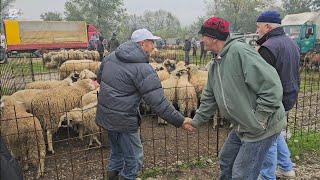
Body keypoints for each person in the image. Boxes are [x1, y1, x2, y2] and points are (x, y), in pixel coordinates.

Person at [183, 16, 286, 180]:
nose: (201, 40)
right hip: (242, 125)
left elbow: (272, 86)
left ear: (213, 38)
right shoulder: (216, 62)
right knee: (227, 159)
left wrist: (259, 119)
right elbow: (209, 97)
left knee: (242, 173)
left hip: (261, 128)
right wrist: (196, 121)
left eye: (203, 36)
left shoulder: (239, 52)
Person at [96, 28, 195, 180]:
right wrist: (180, 121)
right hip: (124, 119)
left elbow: (100, 77)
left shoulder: (111, 57)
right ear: (142, 44)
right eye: (151, 42)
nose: (153, 46)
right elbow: (159, 103)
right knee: (135, 160)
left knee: (117, 154)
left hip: (107, 115)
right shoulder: (142, 68)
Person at [256, 11, 300, 180]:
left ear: (268, 26)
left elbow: (260, 80)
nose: (258, 31)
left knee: (269, 138)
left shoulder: (268, 48)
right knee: (277, 132)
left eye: (259, 27)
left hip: (274, 100)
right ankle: (286, 168)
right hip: (289, 95)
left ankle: (267, 176)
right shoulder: (291, 43)